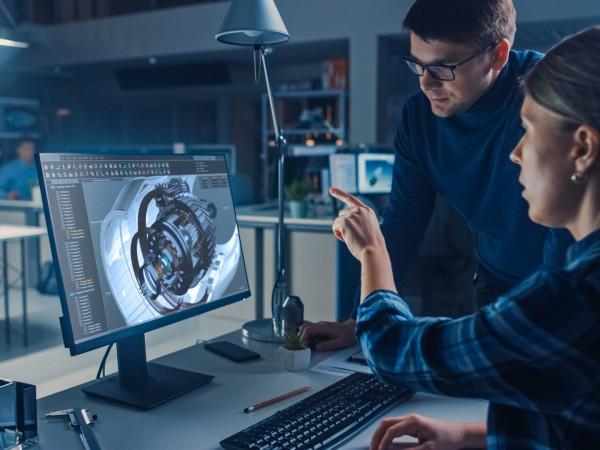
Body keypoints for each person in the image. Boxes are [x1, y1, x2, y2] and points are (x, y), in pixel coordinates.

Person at [330, 26, 600, 450]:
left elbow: (391, 349)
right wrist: (470, 435)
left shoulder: (574, 300)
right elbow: (577, 417)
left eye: (528, 130)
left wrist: (371, 252)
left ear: (584, 149)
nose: (515, 153)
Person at [300, 0, 572, 352]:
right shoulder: (419, 119)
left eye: (444, 67)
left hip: (565, 285)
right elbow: (404, 221)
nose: (427, 84)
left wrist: (556, 319)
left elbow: (566, 228)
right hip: (495, 283)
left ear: (498, 55)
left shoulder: (548, 98)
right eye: (418, 65)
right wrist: (359, 319)